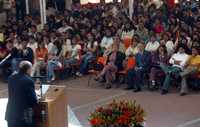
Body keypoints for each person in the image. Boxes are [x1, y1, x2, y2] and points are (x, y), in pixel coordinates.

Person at [5, 61, 38, 127]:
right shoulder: (28, 81)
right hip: (22, 117)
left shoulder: (11, 78)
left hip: (11, 113)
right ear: (28, 69)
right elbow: (33, 101)